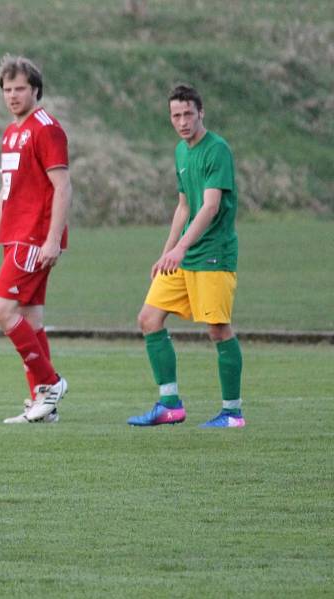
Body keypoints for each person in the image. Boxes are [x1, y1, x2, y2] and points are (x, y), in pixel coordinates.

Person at [128, 85, 244, 428]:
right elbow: (184, 206)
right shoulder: (181, 152)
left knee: (218, 330)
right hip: (184, 255)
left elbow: (209, 207)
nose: (182, 121)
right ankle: (170, 405)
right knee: (148, 318)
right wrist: (167, 251)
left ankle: (233, 412)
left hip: (212, 254)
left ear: (201, 113)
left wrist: (181, 248)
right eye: (176, 115)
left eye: (188, 114)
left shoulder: (217, 150)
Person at [0, 55, 72, 424]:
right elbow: (6, 192)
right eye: (7, 89)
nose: (13, 95)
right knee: (30, 319)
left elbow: (63, 186)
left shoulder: (46, 128)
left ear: (35, 89)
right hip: (15, 236)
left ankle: (50, 383)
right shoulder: (11, 132)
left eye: (20, 88)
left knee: (0, 309)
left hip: (35, 237)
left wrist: (52, 240)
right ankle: (42, 404)